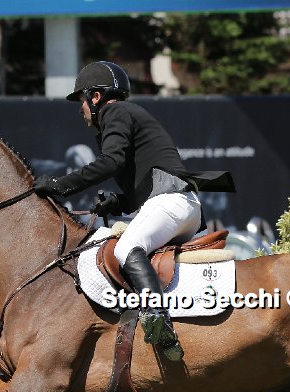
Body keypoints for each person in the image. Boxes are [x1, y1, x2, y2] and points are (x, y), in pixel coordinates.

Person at [33, 61, 234, 361]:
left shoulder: (115, 112)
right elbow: (145, 185)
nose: (80, 109)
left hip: (172, 202)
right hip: (180, 206)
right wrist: (118, 202)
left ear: (96, 97)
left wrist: (59, 185)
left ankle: (158, 319)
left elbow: (111, 162)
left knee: (125, 248)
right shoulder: (126, 115)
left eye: (81, 100)